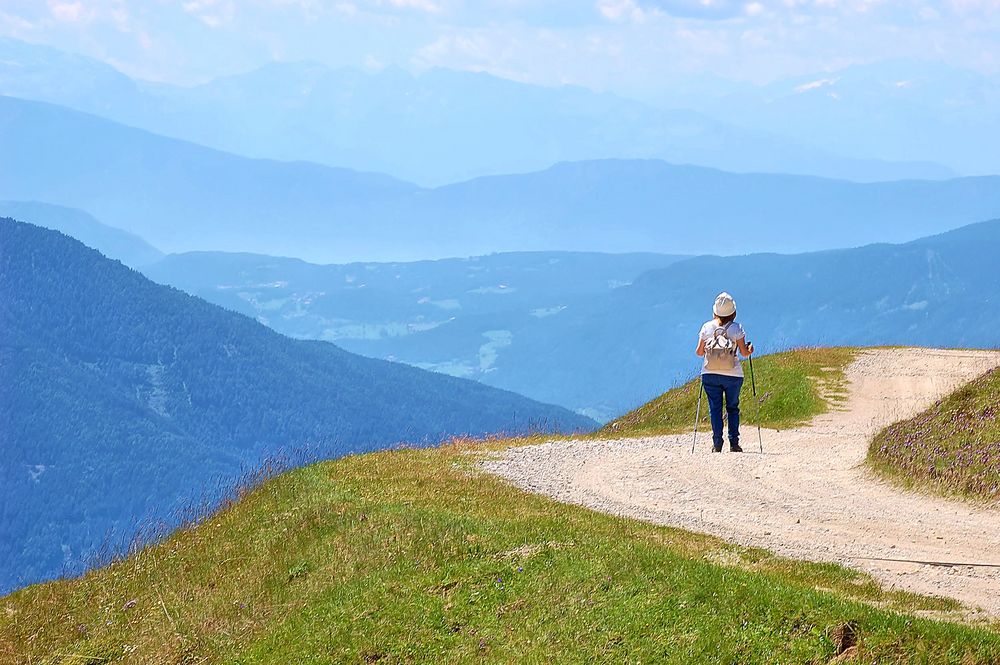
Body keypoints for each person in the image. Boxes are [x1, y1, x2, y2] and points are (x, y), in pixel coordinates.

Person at [695, 292, 754, 452]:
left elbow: (699, 352)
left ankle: (717, 443)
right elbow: (744, 352)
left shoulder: (707, 327)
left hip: (710, 373)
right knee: (732, 407)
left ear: (715, 312)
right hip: (733, 374)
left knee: (715, 408)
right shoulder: (737, 329)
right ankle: (734, 443)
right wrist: (750, 349)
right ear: (733, 313)